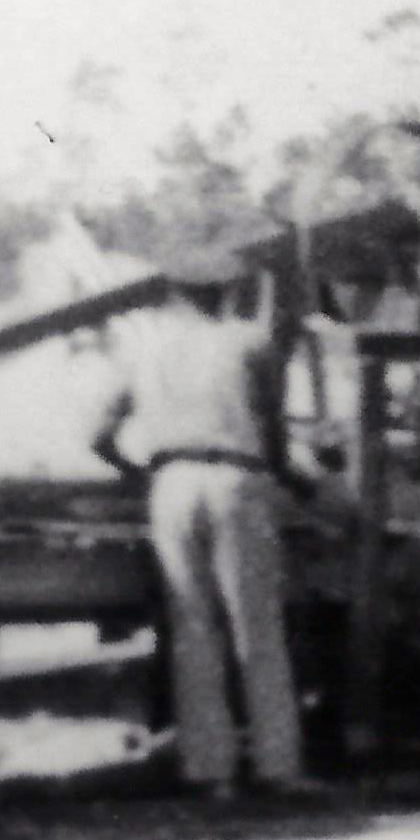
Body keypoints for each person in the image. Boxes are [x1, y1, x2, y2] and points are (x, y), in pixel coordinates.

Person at [91, 247, 306, 798]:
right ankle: (277, 767)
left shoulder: (144, 351)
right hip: (236, 478)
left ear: (175, 294)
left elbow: (97, 432)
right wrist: (295, 481)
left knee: (193, 629)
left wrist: (140, 472)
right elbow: (274, 431)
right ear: (231, 291)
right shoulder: (249, 343)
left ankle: (213, 773)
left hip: (172, 482)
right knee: (256, 627)